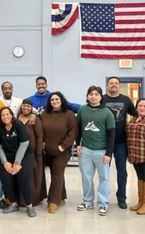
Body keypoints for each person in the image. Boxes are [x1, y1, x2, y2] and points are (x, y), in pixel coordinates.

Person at [75, 86, 115, 216]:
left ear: (100, 97)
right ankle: (87, 201)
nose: (93, 96)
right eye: (91, 94)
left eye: (96, 94)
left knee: (104, 178)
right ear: (87, 96)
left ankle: (103, 203)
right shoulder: (82, 110)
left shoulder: (107, 113)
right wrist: (78, 144)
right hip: (85, 150)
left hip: (102, 151)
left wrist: (109, 153)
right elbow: (79, 128)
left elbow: (111, 134)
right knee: (86, 177)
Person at [103, 76, 138, 209]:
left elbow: (135, 115)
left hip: (121, 142)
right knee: (104, 172)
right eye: (111, 83)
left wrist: (132, 128)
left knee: (122, 171)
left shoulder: (125, 100)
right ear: (107, 86)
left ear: (119, 86)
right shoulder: (102, 99)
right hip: (104, 142)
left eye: (116, 83)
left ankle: (122, 197)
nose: (113, 85)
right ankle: (104, 197)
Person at [0, 107, 37, 217]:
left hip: (24, 156)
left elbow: (24, 144)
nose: (5, 117)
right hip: (8, 158)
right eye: (3, 115)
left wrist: (17, 162)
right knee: (5, 178)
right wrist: (5, 162)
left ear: (11, 115)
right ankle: (13, 204)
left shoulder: (18, 125)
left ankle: (29, 206)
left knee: (23, 178)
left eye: (7, 114)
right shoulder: (0, 128)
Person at [41, 91, 78, 214]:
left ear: (61, 100)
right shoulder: (44, 114)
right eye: (52, 100)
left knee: (57, 174)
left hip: (62, 151)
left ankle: (53, 201)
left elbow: (72, 133)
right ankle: (61, 196)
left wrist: (63, 146)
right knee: (55, 173)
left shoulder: (69, 114)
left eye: (57, 99)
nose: (55, 101)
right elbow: (40, 130)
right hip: (48, 150)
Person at [17, 98, 47, 206]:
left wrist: (38, 152)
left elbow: (40, 136)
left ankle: (33, 199)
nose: (26, 108)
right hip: (19, 153)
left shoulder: (35, 119)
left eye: (28, 106)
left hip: (32, 152)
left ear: (31, 108)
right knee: (21, 175)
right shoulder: (17, 118)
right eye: (24, 106)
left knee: (32, 176)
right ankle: (20, 199)